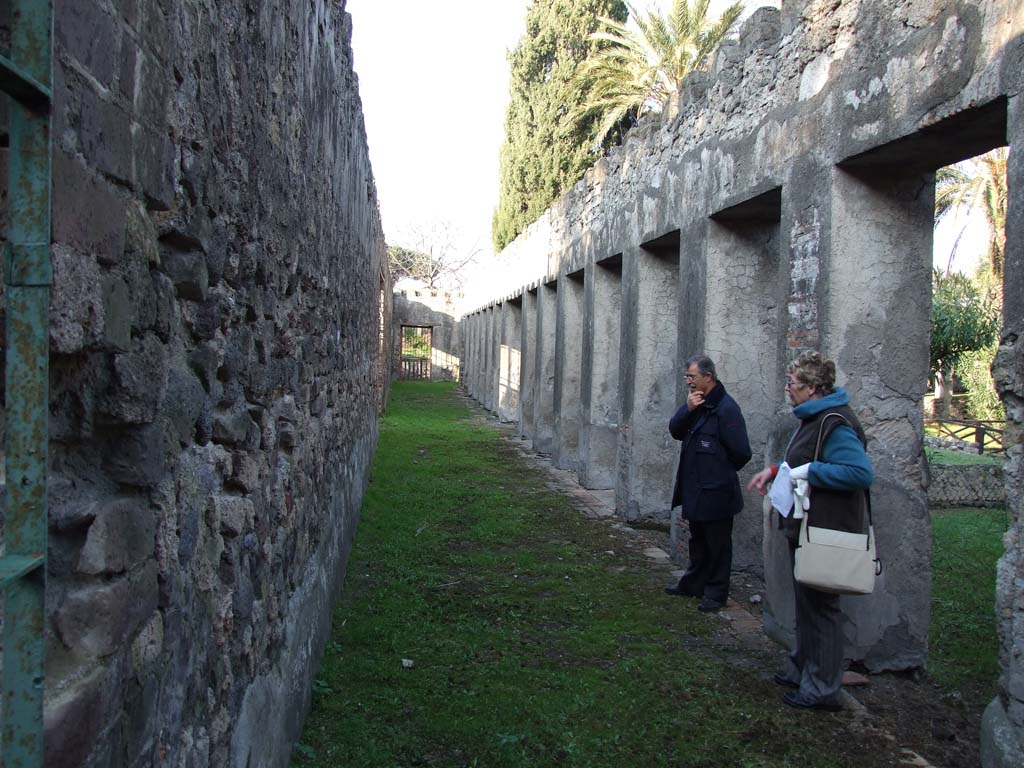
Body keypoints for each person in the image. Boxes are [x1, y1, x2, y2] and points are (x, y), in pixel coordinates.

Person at [748, 351, 873, 712]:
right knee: (807, 606)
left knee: (821, 610)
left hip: (825, 530)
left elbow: (859, 473)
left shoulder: (835, 422)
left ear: (813, 388)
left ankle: (821, 689)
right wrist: (777, 471)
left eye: (792, 384)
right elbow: (804, 459)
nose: (788, 389)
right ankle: (802, 667)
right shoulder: (814, 418)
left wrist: (811, 472)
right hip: (806, 528)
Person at [665, 354, 751, 613]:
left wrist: (718, 471)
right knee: (699, 541)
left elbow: (741, 452)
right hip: (696, 488)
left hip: (717, 491)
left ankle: (716, 593)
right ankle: (694, 584)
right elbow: (675, 430)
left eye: (692, 377)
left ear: (708, 377)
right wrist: (687, 409)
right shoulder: (697, 403)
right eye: (687, 377)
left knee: (718, 545)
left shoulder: (726, 408)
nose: (688, 382)